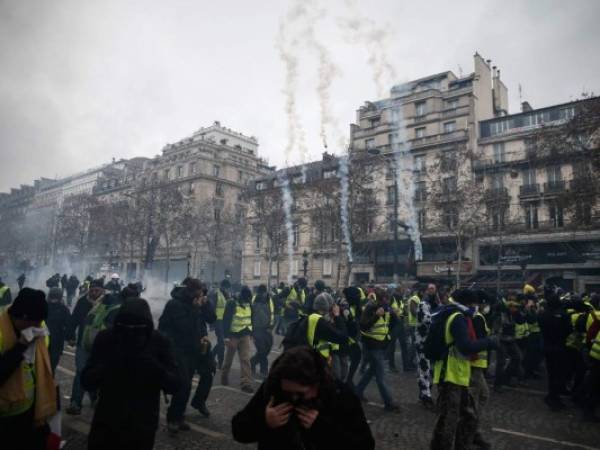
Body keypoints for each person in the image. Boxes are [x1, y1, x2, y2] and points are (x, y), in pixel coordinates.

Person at [231, 346, 375, 450]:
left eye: (300, 394)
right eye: (287, 392)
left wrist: (322, 427)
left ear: (316, 384)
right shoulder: (274, 389)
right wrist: (264, 421)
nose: (293, 398)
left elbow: (365, 445)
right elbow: (238, 430)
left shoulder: (340, 396)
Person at [82, 298, 180, 449]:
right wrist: (111, 364)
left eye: (137, 328)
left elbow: (174, 385)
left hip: (142, 424)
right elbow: (86, 380)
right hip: (108, 420)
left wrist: (153, 366)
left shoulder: (159, 342)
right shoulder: (107, 338)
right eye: (126, 328)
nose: (131, 333)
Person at [430, 289, 497, 450]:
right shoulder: (457, 317)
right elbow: (466, 347)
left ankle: (461, 444)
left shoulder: (452, 313)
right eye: (474, 304)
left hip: (456, 374)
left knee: (462, 416)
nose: (476, 307)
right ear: (468, 303)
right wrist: (489, 342)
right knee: (449, 421)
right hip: (451, 375)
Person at [0, 288, 57, 450]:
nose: (39, 326)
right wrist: (21, 346)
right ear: (23, 318)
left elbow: (44, 359)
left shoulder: (37, 322)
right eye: (36, 323)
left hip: (31, 408)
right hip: (5, 415)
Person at [159, 278, 215, 432]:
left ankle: (196, 404)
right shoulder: (175, 304)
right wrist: (196, 309)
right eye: (197, 294)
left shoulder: (199, 301)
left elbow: (212, 318)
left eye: (201, 293)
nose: (200, 296)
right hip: (179, 348)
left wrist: (205, 305)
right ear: (190, 292)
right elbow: (184, 328)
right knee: (183, 384)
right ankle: (174, 418)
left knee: (208, 372)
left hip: (197, 345)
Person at [355, 289, 400, 412]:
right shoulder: (370, 308)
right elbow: (363, 325)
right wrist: (376, 316)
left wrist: (394, 315)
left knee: (372, 371)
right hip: (371, 345)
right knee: (381, 375)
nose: (387, 302)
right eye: (385, 300)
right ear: (379, 300)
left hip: (381, 345)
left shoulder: (387, 309)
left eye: (388, 300)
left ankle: (357, 391)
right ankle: (388, 401)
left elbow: (392, 324)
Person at [65, 279, 105, 415]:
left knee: (97, 373)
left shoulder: (107, 303)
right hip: (83, 343)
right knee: (81, 372)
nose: (94, 292)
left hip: (100, 346)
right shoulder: (82, 302)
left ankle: (94, 398)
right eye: (92, 290)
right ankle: (75, 403)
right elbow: (74, 319)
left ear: (102, 290)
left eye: (97, 290)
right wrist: (70, 335)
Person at [538, 290, 572, 411]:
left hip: (547, 346)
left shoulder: (543, 314)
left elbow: (541, 326)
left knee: (552, 373)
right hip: (560, 346)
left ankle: (552, 395)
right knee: (559, 373)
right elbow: (569, 330)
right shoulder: (564, 315)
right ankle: (554, 398)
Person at [221, 286, 254, 393]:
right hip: (233, 335)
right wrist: (226, 336)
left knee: (245, 359)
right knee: (229, 358)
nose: (248, 301)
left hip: (245, 335)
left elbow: (251, 318)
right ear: (242, 296)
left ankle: (246, 383)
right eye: (247, 299)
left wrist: (251, 333)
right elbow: (226, 320)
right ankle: (224, 375)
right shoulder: (232, 303)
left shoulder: (249, 303)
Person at [415, 283, 438, 408]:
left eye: (433, 289)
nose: (432, 291)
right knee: (424, 369)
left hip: (430, 341)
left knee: (430, 370)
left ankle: (424, 394)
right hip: (422, 342)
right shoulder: (423, 304)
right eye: (430, 289)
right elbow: (427, 320)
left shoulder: (434, 304)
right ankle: (426, 396)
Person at [250, 284, 274, 379]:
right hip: (256, 329)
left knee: (268, 348)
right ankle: (264, 370)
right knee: (262, 349)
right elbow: (250, 313)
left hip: (267, 328)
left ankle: (253, 361)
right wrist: (251, 329)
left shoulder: (269, 299)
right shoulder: (254, 299)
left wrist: (271, 326)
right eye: (262, 293)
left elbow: (272, 313)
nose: (263, 294)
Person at [45, 287, 71, 374]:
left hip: (45, 341)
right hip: (55, 342)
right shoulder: (64, 309)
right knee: (51, 368)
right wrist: (71, 337)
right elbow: (68, 325)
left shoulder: (43, 306)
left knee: (43, 368)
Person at [210, 279, 231, 370]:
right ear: (223, 287)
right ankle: (220, 362)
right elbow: (212, 308)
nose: (227, 290)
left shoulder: (227, 295)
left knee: (221, 342)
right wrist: (212, 324)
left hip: (224, 322)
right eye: (227, 288)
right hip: (217, 320)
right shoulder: (216, 294)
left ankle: (211, 356)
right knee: (221, 342)